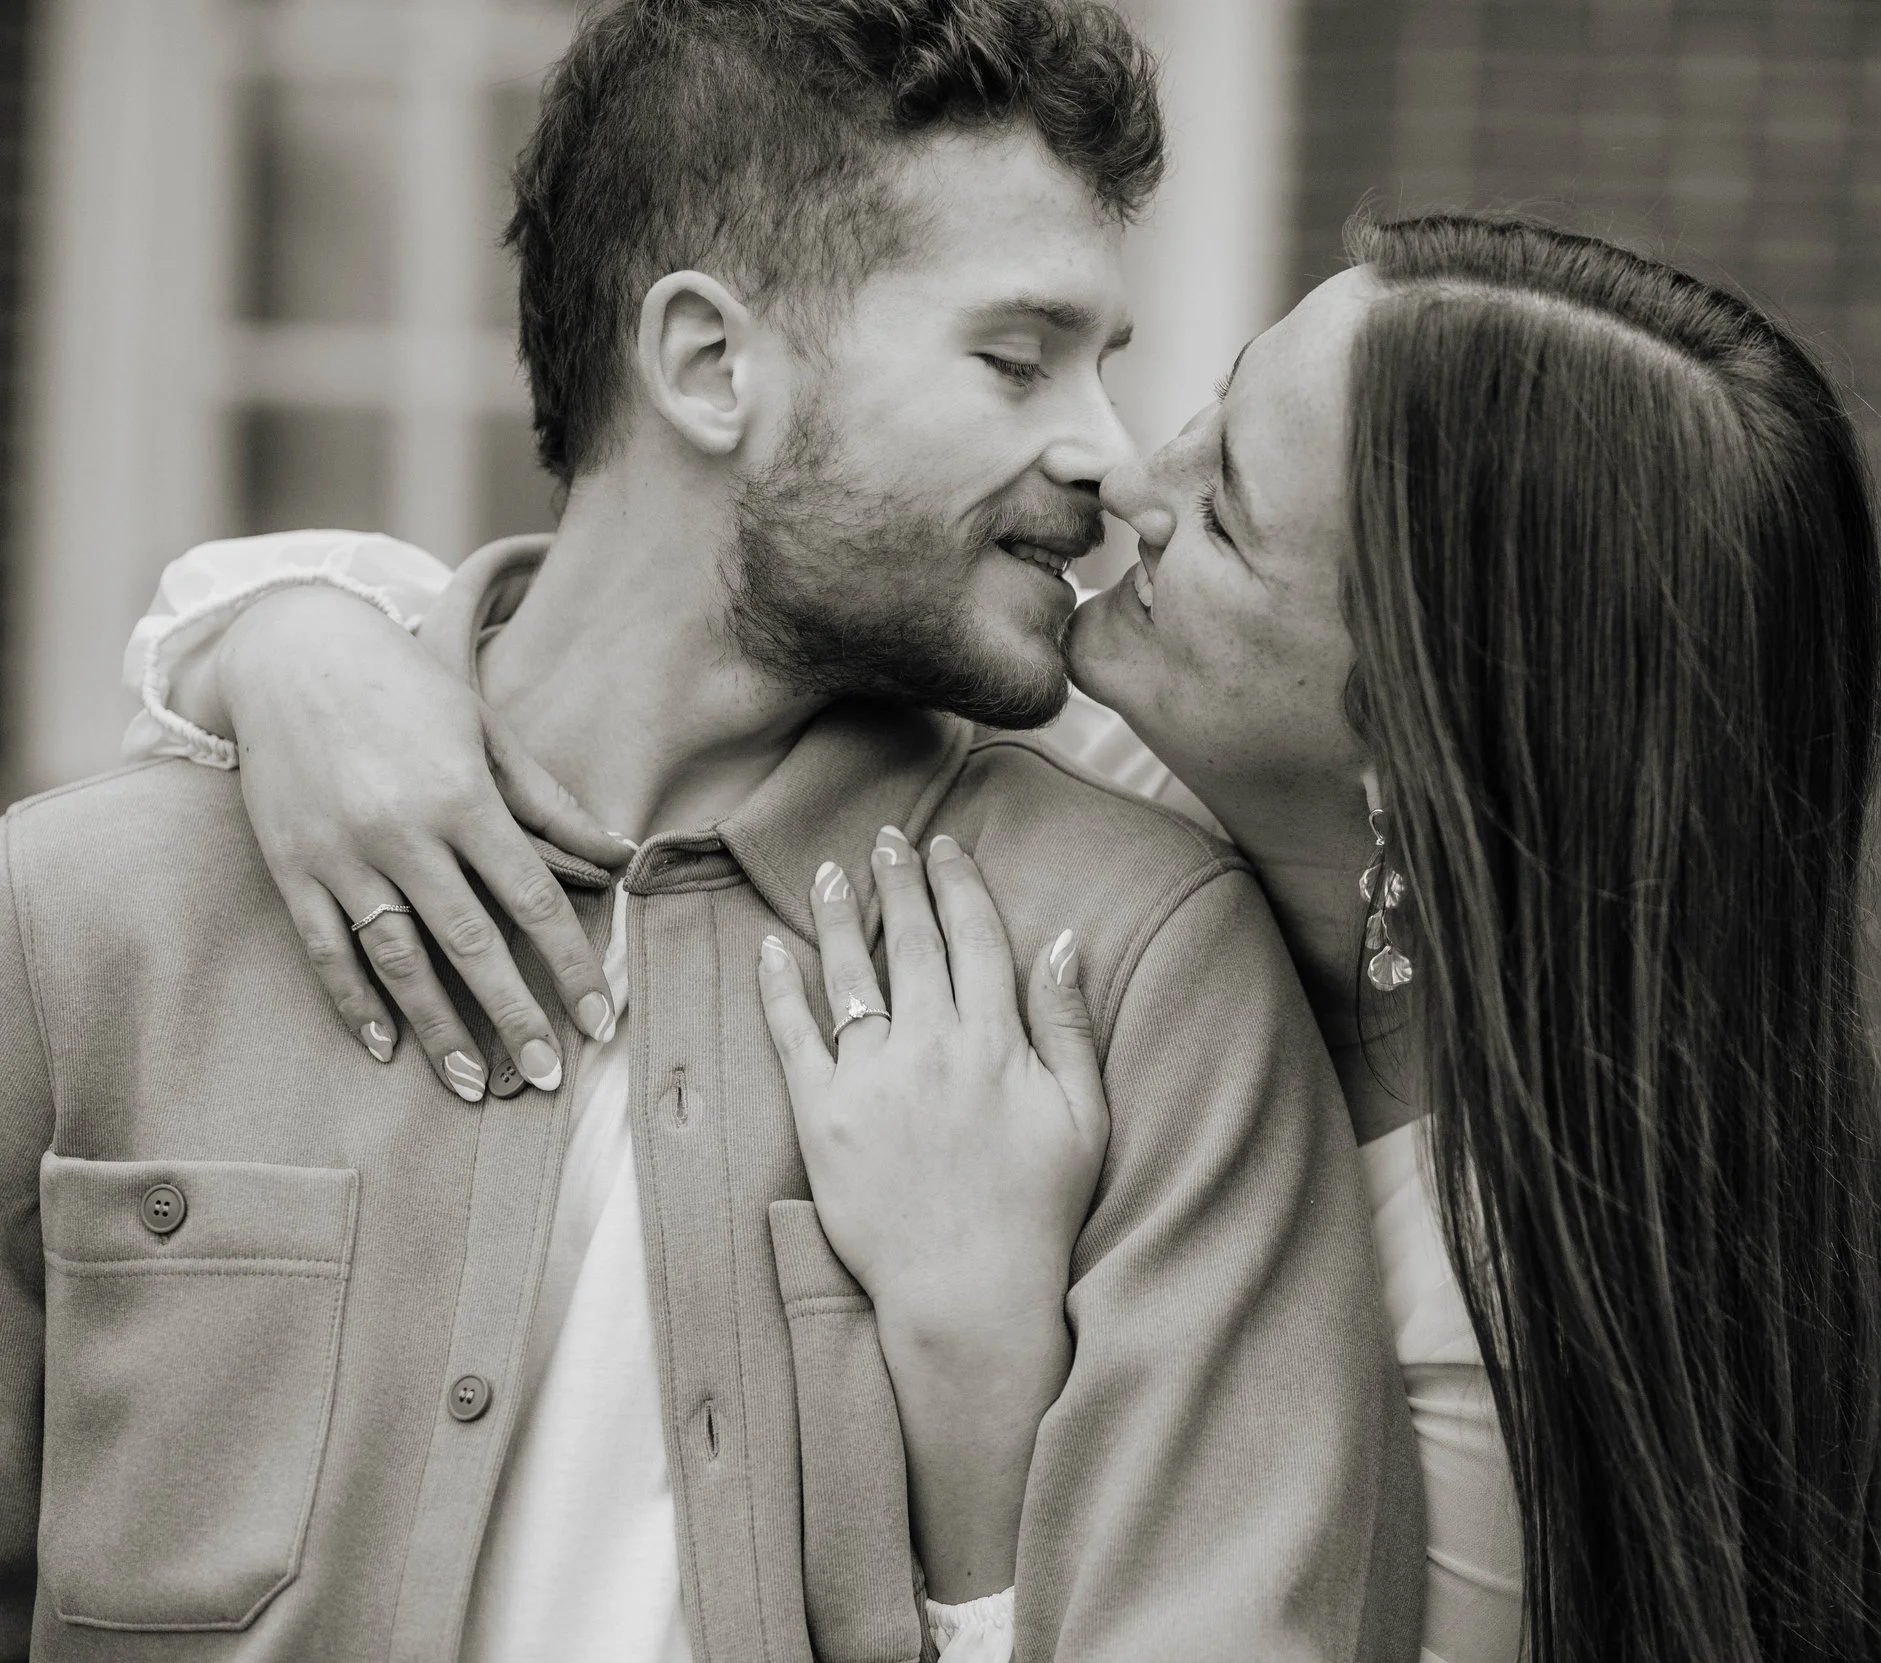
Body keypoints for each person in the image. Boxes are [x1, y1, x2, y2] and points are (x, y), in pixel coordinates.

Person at [115, 209, 1881, 1663]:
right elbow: (622, 653)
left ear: (1415, 740)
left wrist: (980, 1355)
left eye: (1226, 511)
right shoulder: (1117, 784)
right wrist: (283, 639)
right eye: (1210, 401)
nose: (1130, 479)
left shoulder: (1483, 1349)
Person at [0, 4, 1430, 1661]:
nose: (1111, 459)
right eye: (1014, 357)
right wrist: (266, 622)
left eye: (1100, 362)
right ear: (706, 364)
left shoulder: (1138, 972)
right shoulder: (81, 915)